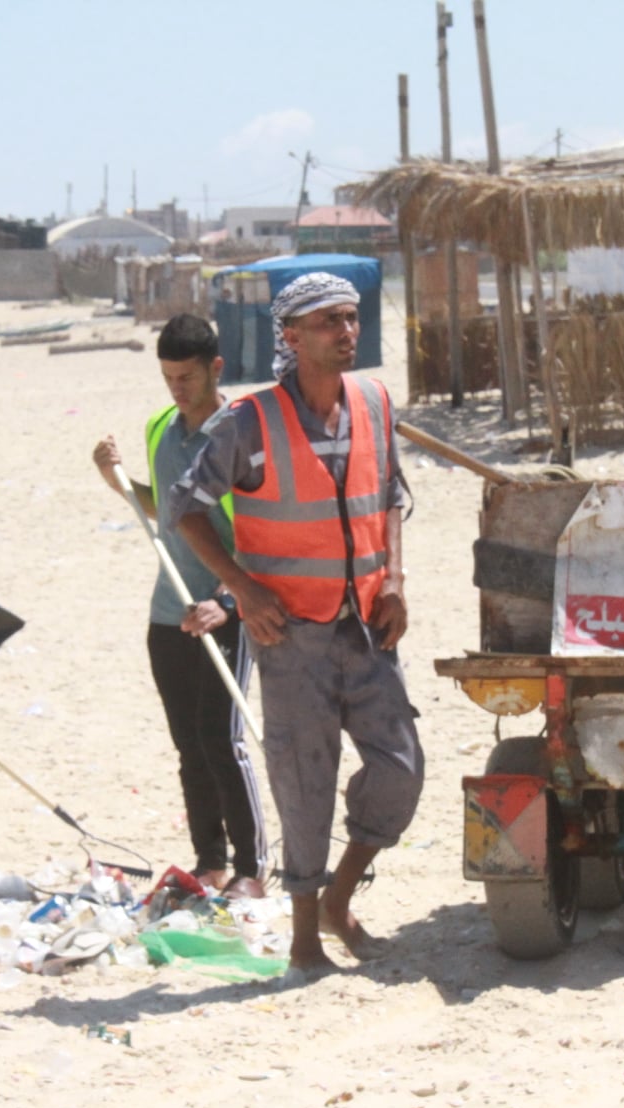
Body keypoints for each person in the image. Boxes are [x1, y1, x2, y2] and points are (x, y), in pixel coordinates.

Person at [171, 273, 422, 972]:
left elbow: (390, 495)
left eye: (351, 319)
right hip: (291, 638)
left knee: (401, 769)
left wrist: (395, 578)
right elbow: (185, 507)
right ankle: (307, 934)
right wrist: (241, 590)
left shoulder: (373, 402)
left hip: (368, 626)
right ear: (291, 337)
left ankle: (340, 898)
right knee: (304, 782)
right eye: (328, 323)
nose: (347, 333)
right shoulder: (250, 422)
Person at [91, 313, 270, 899]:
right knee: (189, 745)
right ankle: (209, 861)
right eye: (169, 377)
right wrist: (116, 481)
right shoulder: (161, 426)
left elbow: (259, 533)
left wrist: (228, 600)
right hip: (169, 610)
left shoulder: (242, 433)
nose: (177, 389)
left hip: (228, 608)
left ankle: (251, 867)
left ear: (216, 368)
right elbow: (165, 508)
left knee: (223, 740)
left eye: (188, 377)